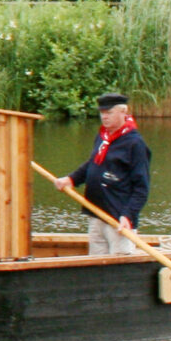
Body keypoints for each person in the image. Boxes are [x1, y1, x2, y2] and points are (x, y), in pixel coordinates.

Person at [68, 92, 151, 256]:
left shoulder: (135, 144)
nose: (104, 117)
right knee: (95, 263)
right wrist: (71, 179)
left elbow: (142, 187)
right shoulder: (103, 136)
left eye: (109, 113)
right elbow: (93, 164)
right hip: (97, 213)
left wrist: (128, 215)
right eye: (102, 113)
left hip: (118, 220)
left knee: (120, 263)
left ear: (123, 112)